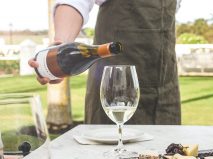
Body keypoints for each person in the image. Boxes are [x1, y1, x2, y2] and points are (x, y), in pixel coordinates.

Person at [29, 0, 182, 125]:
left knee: (168, 158)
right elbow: (75, 2)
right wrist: (61, 46)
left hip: (165, 88)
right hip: (113, 88)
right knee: (112, 158)